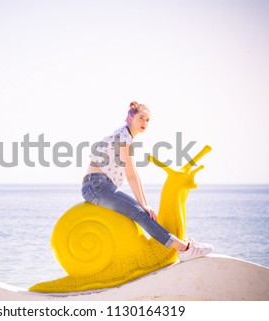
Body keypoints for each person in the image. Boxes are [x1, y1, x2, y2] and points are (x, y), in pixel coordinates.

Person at [81, 101, 213, 261]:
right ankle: (184, 248)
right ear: (130, 118)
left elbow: (134, 174)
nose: (144, 123)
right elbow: (131, 175)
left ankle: (181, 245)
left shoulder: (124, 136)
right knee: (140, 214)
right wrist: (143, 206)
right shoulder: (123, 137)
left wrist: (145, 204)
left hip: (97, 186)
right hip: (97, 186)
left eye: (147, 120)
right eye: (141, 118)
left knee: (142, 211)